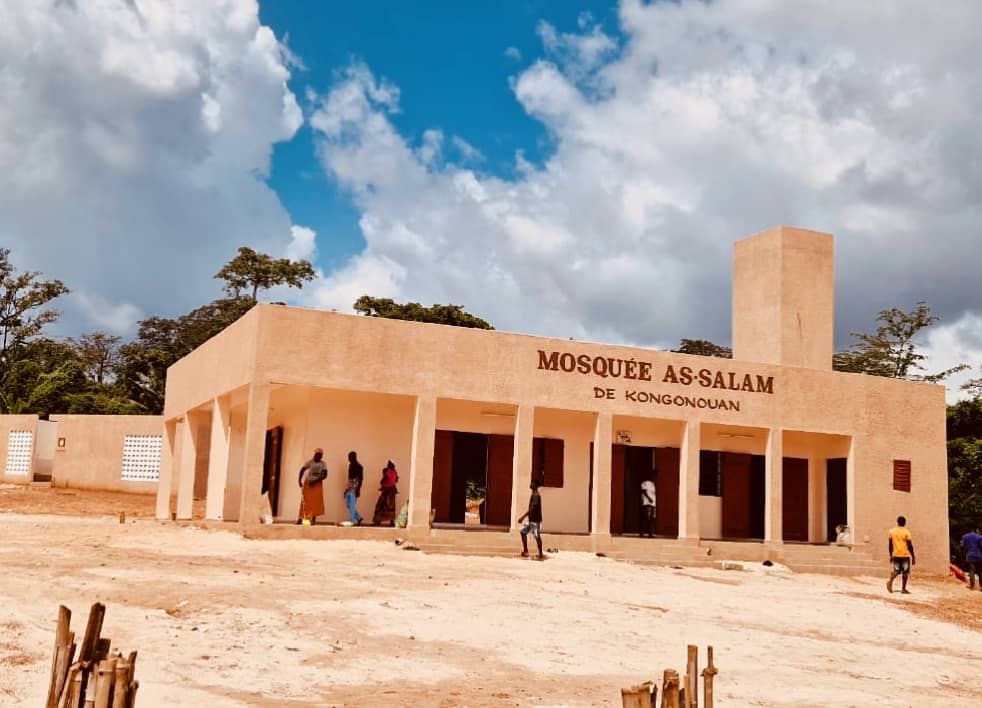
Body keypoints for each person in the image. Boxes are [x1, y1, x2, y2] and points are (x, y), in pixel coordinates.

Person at [296, 448, 327, 525]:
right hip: (308, 484)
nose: (319, 456)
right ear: (315, 455)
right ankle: (300, 518)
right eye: (317, 455)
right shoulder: (310, 462)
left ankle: (313, 519)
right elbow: (302, 470)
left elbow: (325, 475)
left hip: (317, 484)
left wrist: (315, 481)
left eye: (320, 455)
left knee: (316, 502)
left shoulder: (323, 464)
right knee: (305, 501)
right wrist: (299, 480)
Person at [887, 515, 916, 594]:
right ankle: (903, 589)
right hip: (905, 555)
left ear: (897, 522)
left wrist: (891, 555)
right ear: (905, 523)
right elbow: (910, 546)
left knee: (896, 571)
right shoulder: (907, 532)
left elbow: (890, 545)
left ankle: (890, 581)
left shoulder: (891, 531)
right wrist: (913, 556)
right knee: (905, 573)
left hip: (896, 554)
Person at [517, 480, 544, 560]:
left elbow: (532, 508)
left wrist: (522, 517)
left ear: (535, 485)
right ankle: (526, 551)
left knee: (537, 536)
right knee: (523, 532)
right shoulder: (534, 494)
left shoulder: (536, 495)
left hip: (535, 521)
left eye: (532, 483)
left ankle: (541, 554)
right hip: (532, 520)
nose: (530, 484)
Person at [373, 460, 399, 526]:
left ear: (390, 465)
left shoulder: (388, 472)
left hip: (386, 491)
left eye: (388, 464)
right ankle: (391, 521)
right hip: (392, 490)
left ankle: (378, 521)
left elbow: (383, 481)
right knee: (391, 507)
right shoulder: (395, 472)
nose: (387, 465)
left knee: (381, 505)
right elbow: (396, 480)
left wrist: (382, 482)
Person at [344, 451, 364, 525]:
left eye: (350, 458)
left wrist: (358, 489)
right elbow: (349, 477)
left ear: (354, 457)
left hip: (355, 486)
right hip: (349, 485)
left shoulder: (359, 466)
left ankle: (352, 520)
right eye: (348, 458)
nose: (349, 459)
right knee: (348, 504)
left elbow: (361, 479)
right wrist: (347, 488)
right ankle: (358, 517)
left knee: (352, 504)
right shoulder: (350, 465)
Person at [640, 473, 657, 538]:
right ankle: (642, 533)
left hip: (653, 504)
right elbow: (643, 491)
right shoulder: (645, 483)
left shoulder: (653, 484)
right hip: (647, 503)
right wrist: (649, 499)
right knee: (646, 518)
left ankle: (650, 533)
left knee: (652, 519)